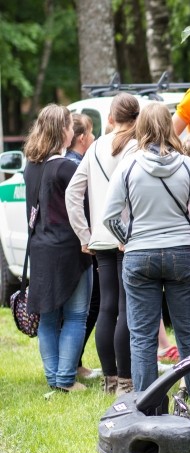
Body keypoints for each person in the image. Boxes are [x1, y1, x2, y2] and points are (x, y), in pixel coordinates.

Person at [103, 102, 190, 398]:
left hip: (140, 254)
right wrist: (186, 232)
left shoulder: (128, 166)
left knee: (142, 337)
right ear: (169, 126)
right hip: (181, 254)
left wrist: (129, 239)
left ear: (140, 127)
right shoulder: (188, 166)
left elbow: (110, 216)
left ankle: (148, 407)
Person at [66, 93, 139, 395]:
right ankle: (125, 380)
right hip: (129, 238)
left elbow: (73, 193)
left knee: (107, 307)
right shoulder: (139, 148)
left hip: (101, 239)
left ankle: (110, 378)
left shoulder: (94, 147)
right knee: (125, 309)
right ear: (137, 119)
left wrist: (85, 234)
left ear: (110, 118)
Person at [23, 104, 93, 392]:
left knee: (48, 317)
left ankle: (53, 378)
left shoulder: (31, 166)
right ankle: (65, 381)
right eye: (69, 126)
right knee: (76, 316)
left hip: (39, 247)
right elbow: (83, 207)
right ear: (62, 130)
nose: (71, 130)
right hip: (68, 249)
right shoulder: (66, 168)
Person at [66, 113, 101, 382]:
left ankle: (74, 362)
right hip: (83, 244)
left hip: (79, 243)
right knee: (90, 305)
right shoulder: (76, 165)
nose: (93, 138)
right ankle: (73, 364)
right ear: (81, 138)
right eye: (90, 134)